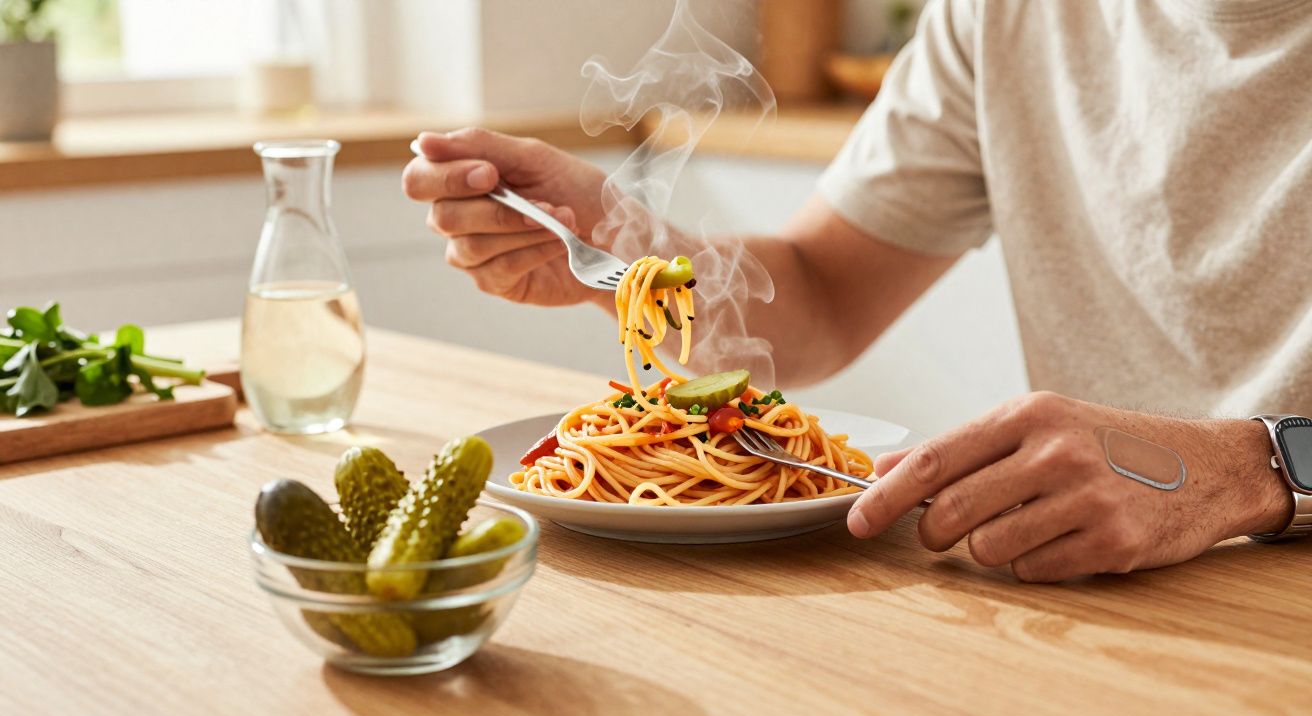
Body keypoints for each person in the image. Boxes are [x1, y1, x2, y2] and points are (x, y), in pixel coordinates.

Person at [400, 0, 1310, 582]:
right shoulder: (1001, 20)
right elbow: (823, 296)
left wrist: (1254, 469)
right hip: (1090, 599)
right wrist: (620, 245)